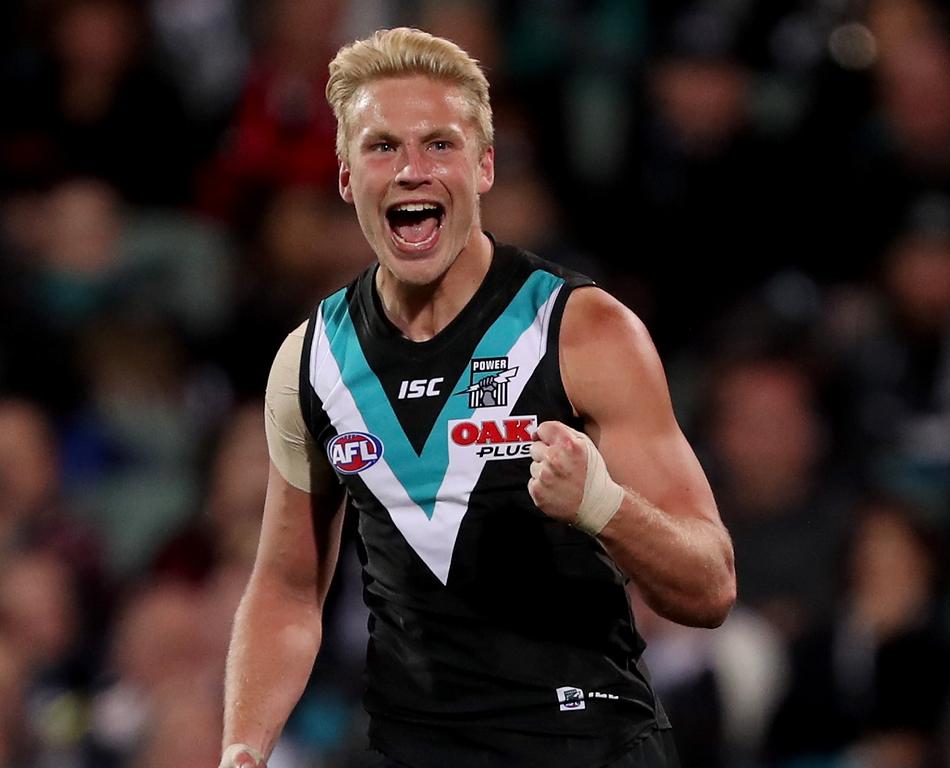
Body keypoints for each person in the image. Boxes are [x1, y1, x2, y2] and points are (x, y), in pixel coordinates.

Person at [219, 27, 736, 768]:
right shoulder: (313, 359)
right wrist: (243, 745)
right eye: (382, 147)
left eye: (439, 145)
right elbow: (286, 588)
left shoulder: (583, 332)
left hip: (588, 747)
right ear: (344, 176)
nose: (411, 171)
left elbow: (711, 585)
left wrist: (603, 506)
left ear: (484, 166)